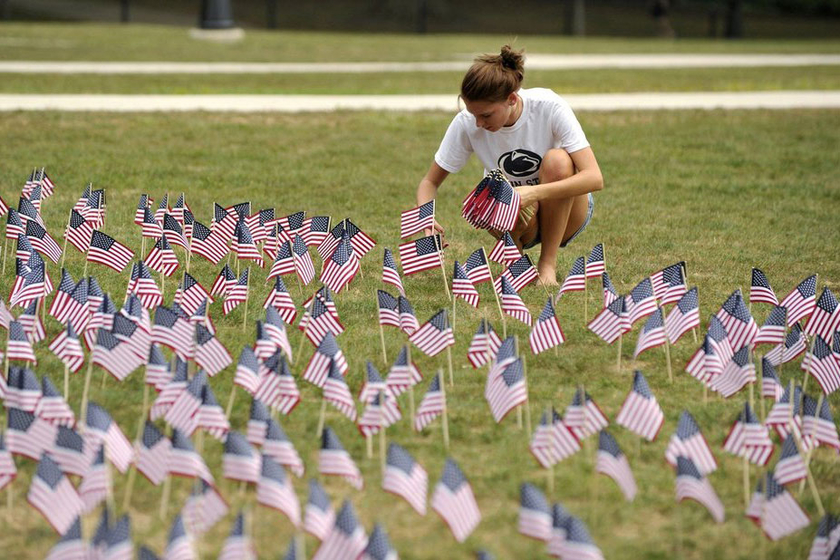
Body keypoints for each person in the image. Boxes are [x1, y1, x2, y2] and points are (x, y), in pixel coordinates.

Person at [415, 45, 604, 286]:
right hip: (516, 219)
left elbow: (594, 178)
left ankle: (547, 265)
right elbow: (429, 182)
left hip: (567, 214)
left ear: (512, 99)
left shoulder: (549, 106)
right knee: (491, 192)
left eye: (486, 115)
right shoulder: (467, 123)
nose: (479, 123)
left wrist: (532, 193)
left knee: (558, 160)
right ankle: (515, 262)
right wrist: (425, 217)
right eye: (473, 114)